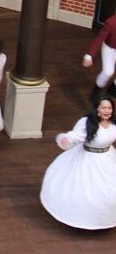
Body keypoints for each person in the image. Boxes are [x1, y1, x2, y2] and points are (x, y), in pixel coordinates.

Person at [40, 95, 116, 230]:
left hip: (108, 157)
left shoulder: (113, 123)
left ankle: (104, 218)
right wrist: (67, 139)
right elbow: (75, 136)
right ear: (97, 109)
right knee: (83, 190)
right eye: (103, 107)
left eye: (109, 108)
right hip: (88, 157)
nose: (107, 111)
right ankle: (82, 219)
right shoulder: (87, 122)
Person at [82, 13, 116, 101]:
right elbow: (99, 39)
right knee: (108, 72)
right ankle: (96, 91)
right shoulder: (111, 23)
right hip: (110, 48)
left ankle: (113, 89)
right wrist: (89, 55)